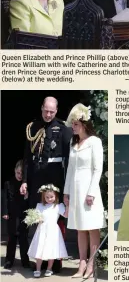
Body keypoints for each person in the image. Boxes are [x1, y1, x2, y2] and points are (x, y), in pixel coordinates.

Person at [20, 96, 72, 273]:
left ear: (56, 111)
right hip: (36, 176)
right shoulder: (32, 127)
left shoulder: (64, 129)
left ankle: (55, 261)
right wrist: (25, 180)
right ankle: (38, 259)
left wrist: (68, 184)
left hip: (55, 176)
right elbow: (27, 157)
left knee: (56, 218)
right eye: (45, 110)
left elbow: (70, 158)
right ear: (41, 108)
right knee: (36, 216)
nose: (48, 114)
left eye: (52, 111)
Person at [63, 103, 106, 279]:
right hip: (75, 189)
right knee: (80, 228)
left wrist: (91, 192)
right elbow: (70, 170)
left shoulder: (94, 142)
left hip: (89, 189)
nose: (73, 127)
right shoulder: (74, 144)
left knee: (92, 228)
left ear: (84, 124)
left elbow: (97, 169)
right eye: (72, 124)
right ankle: (81, 264)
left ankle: (91, 265)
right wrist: (66, 193)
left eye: (76, 124)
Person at [28, 184, 69, 278]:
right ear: (43, 197)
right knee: (40, 249)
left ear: (55, 196)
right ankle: (38, 269)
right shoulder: (40, 206)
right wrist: (37, 219)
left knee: (51, 250)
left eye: (52, 197)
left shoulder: (58, 206)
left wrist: (67, 206)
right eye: (47, 197)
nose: (49, 199)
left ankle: (49, 268)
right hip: (42, 230)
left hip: (53, 231)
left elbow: (66, 215)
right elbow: (36, 217)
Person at [2, 160, 30, 270]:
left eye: (22, 173)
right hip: (12, 214)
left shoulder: (27, 185)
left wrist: (27, 196)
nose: (20, 175)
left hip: (23, 214)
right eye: (18, 172)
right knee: (11, 239)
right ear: (14, 171)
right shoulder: (8, 183)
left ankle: (25, 261)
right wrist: (5, 212)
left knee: (23, 239)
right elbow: (5, 199)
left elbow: (29, 201)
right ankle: (9, 261)